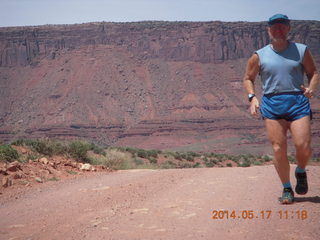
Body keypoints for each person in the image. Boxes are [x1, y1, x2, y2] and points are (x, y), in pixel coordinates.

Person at [243, 14, 319, 204]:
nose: (279, 30)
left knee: (303, 146)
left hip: (297, 102)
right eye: (275, 27)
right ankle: (286, 188)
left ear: (288, 28)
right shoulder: (258, 55)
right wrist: (252, 98)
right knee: (278, 148)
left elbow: (313, 73)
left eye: (282, 26)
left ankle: (300, 171)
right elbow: (248, 79)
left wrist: (311, 88)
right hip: (272, 104)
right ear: (269, 30)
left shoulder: (301, 50)